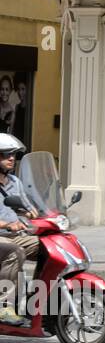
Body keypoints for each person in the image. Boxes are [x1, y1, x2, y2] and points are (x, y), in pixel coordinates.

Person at [0, 134, 39, 325]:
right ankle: (3, 306)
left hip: (16, 235)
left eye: (13, 155)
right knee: (14, 252)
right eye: (5, 155)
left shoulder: (15, 182)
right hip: (2, 237)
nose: (11, 158)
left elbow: (28, 206)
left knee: (48, 247)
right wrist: (7, 224)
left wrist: (32, 212)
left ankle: (39, 300)